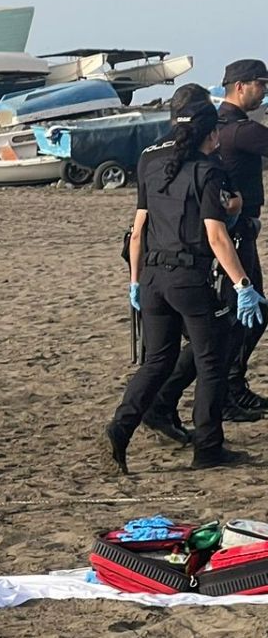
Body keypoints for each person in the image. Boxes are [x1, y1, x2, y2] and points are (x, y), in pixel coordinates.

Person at [104, 99, 265, 472]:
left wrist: (134, 283)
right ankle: (208, 448)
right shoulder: (208, 171)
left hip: (152, 277)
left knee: (156, 362)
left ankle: (120, 428)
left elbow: (138, 230)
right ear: (211, 135)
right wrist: (242, 284)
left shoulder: (154, 165)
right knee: (212, 359)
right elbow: (216, 237)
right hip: (189, 277)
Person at [147, 64, 268, 438]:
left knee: (224, 327)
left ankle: (217, 390)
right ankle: (206, 395)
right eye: (261, 85)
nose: (264, 91)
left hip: (204, 239)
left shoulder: (215, 134)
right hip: (223, 236)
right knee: (228, 326)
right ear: (241, 86)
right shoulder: (239, 131)